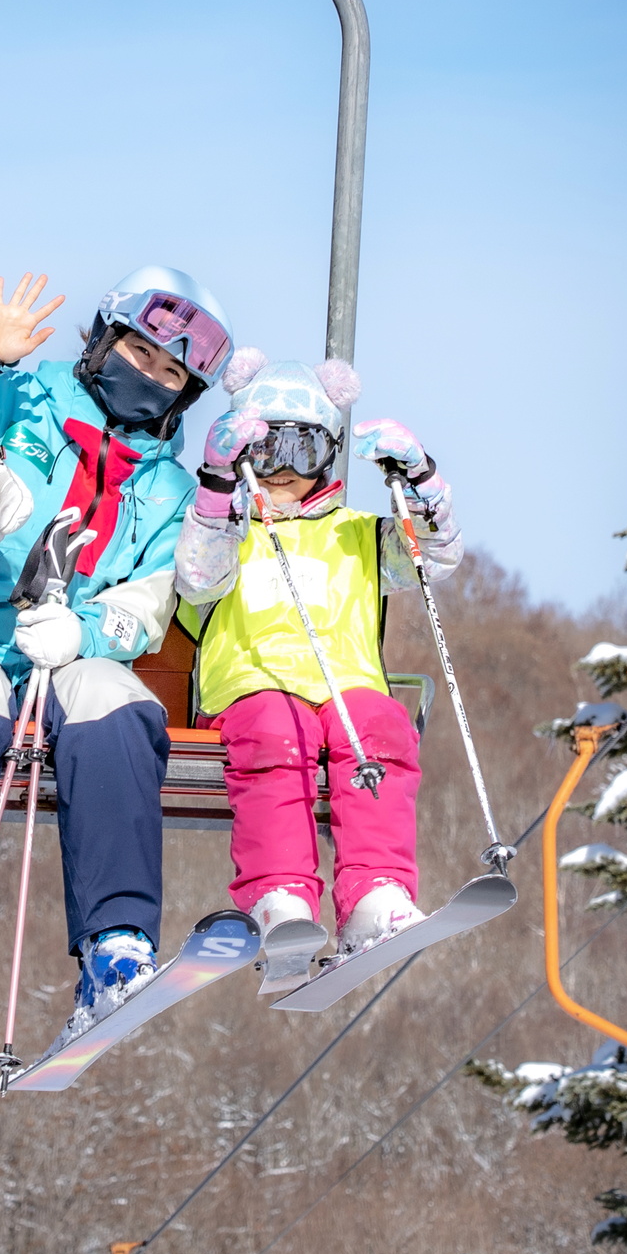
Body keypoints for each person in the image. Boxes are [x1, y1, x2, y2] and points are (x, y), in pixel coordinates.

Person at [0, 267, 233, 1045]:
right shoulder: (13, 397)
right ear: (102, 342)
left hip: (63, 655)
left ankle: (116, 948)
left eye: (170, 374)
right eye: (138, 352)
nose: (148, 379)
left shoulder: (167, 493)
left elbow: (149, 602)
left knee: (118, 702)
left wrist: (85, 635)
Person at [173, 348, 463, 986]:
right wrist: (219, 483)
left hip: (346, 687)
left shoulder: (358, 532)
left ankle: (374, 896)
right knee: (281, 732)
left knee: (382, 726)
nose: (281, 471)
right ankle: (281, 897)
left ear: (328, 456)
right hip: (249, 691)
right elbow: (196, 579)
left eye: (301, 451)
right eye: (266, 450)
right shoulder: (226, 530)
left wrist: (421, 480)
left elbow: (435, 558)